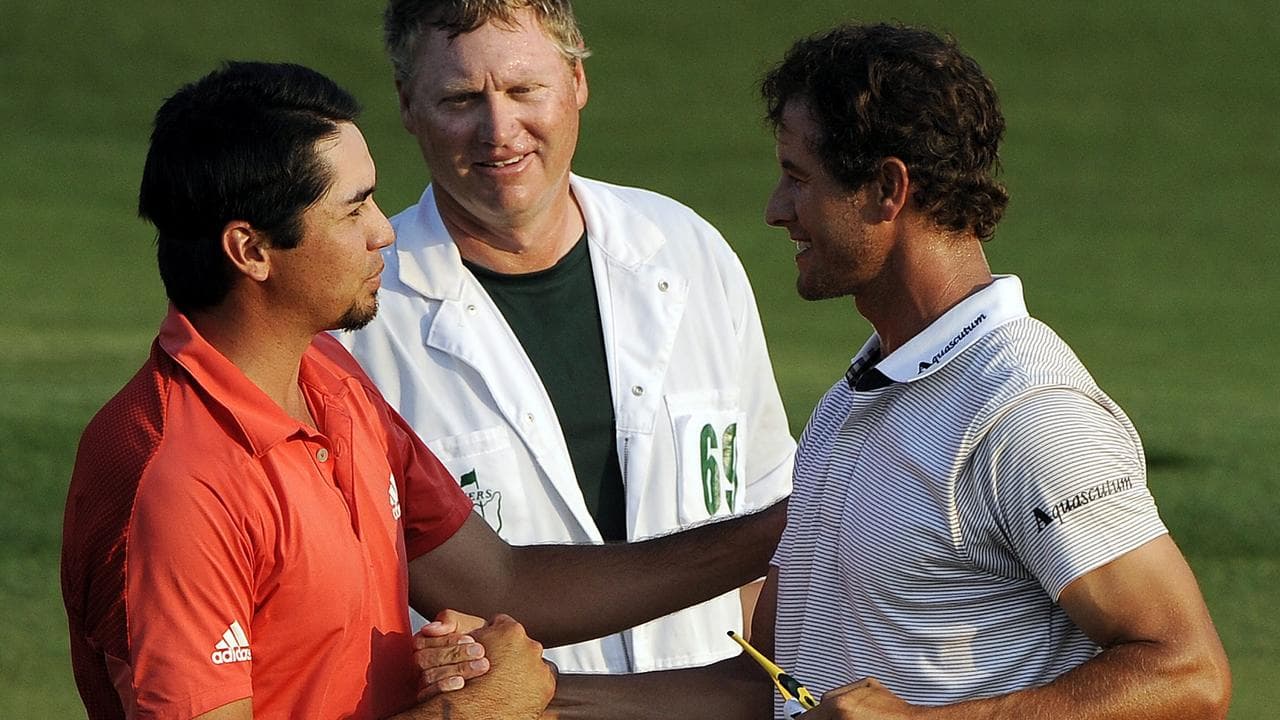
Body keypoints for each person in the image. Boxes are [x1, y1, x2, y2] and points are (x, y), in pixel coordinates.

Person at [423, 22, 1233, 719]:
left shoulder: (1025, 408)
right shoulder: (861, 397)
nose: (776, 209)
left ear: (885, 190)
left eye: (799, 179)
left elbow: (1187, 673)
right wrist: (537, 696)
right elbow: (769, 690)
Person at [60, 60, 784, 720]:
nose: (385, 232)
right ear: (251, 251)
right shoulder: (180, 482)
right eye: (354, 209)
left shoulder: (329, 377)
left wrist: (795, 525)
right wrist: (463, 715)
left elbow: (498, 585)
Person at [340, 0, 796, 676]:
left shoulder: (689, 252)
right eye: (462, 98)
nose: (500, 131)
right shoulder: (358, 325)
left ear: (577, 79)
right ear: (407, 105)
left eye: (525, 90)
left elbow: (768, 533)